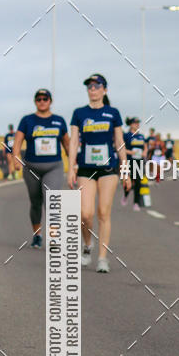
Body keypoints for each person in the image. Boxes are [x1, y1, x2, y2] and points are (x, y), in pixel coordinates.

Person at [68, 73, 129, 272]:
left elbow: (119, 142)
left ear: (105, 90)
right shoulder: (79, 113)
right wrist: (70, 168)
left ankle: (103, 258)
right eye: (90, 86)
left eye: (97, 86)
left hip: (108, 169)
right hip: (86, 168)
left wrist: (125, 170)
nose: (93, 89)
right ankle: (87, 245)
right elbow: (74, 142)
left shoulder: (113, 113)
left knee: (103, 212)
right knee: (86, 213)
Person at [11, 89, 69, 248]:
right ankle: (37, 235)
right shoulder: (27, 120)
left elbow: (67, 144)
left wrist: (74, 165)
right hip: (31, 168)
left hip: (54, 167)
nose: (42, 101)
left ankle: (54, 237)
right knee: (35, 202)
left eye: (45, 99)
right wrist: (15, 158)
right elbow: (17, 141)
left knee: (51, 200)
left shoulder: (59, 121)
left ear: (50, 101)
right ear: (35, 101)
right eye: (39, 99)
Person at [122, 116, 147, 210]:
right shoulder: (126, 135)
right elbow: (121, 148)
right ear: (131, 124)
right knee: (129, 182)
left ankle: (136, 203)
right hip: (129, 161)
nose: (137, 125)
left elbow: (145, 147)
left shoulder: (141, 136)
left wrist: (144, 152)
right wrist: (130, 152)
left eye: (138, 123)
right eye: (135, 123)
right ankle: (125, 196)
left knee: (138, 183)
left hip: (139, 162)